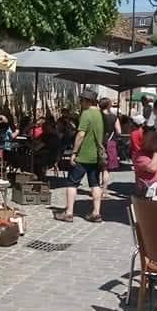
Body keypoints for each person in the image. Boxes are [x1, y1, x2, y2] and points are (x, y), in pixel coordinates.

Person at [55, 88, 104, 223]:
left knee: (72, 183)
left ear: (88, 101)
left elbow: (81, 134)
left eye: (82, 100)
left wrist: (74, 152)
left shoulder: (86, 114)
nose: (80, 102)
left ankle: (69, 213)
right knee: (95, 184)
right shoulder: (100, 115)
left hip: (84, 155)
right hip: (96, 156)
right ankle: (96, 213)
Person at [99, 97, 122, 192]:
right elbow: (119, 131)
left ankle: (95, 189)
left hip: (98, 142)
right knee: (106, 169)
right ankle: (104, 190)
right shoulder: (114, 117)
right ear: (108, 105)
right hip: (110, 143)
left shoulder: (98, 116)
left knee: (96, 169)